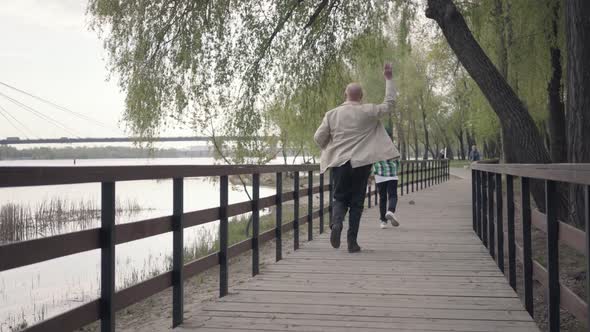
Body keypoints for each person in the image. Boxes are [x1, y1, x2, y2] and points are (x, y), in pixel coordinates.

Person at [314, 63, 400, 253]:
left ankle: (336, 223)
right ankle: (352, 243)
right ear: (361, 96)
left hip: (339, 164)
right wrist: (388, 79)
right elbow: (390, 104)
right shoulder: (368, 111)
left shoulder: (331, 114)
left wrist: (331, 148)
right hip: (361, 165)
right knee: (356, 203)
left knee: (339, 198)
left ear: (346, 95)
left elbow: (318, 138)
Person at [371, 158, 400, 229]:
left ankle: (383, 221)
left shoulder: (375, 147)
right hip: (392, 172)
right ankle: (390, 211)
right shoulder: (391, 146)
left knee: (382, 198)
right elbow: (397, 157)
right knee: (393, 195)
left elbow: (371, 158)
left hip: (379, 173)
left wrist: (370, 174)